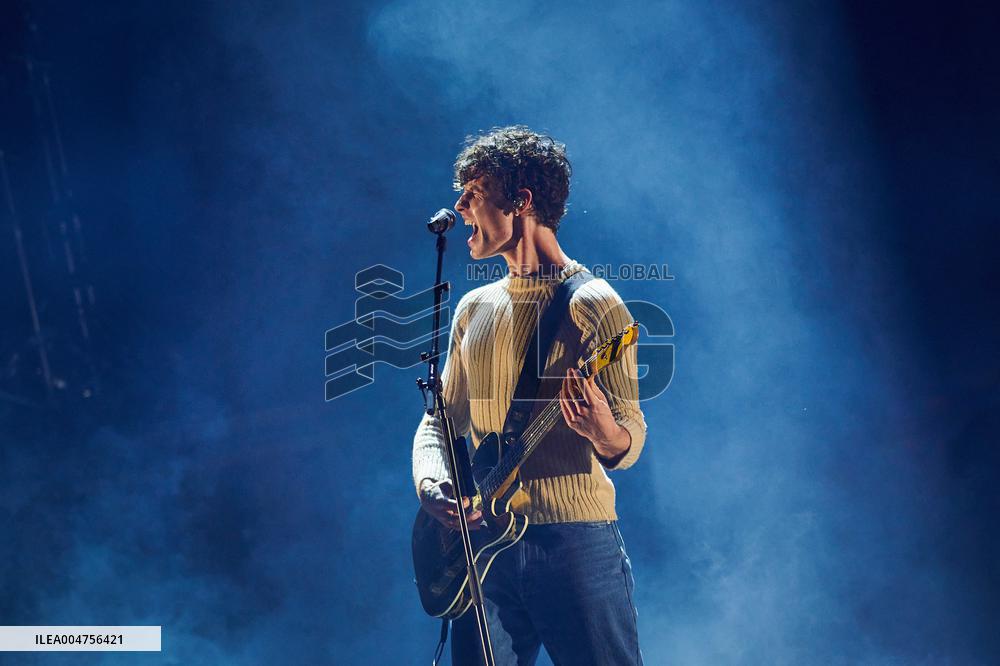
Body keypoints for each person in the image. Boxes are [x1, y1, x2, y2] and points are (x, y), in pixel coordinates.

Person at [412, 125, 647, 665]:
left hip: (574, 543)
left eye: (474, 193)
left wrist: (603, 432)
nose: (459, 207)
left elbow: (630, 434)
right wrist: (430, 481)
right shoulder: (473, 309)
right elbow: (439, 420)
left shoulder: (594, 304)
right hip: (485, 548)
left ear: (521, 201)